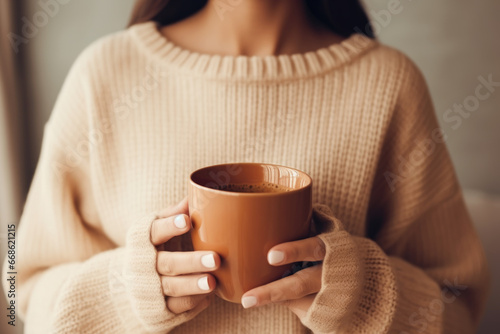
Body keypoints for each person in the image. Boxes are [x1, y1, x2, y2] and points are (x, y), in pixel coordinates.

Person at [2, 0, 490, 333]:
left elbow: (459, 310)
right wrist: (126, 292)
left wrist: (364, 294)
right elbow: (20, 292)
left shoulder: (389, 84)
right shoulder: (103, 76)